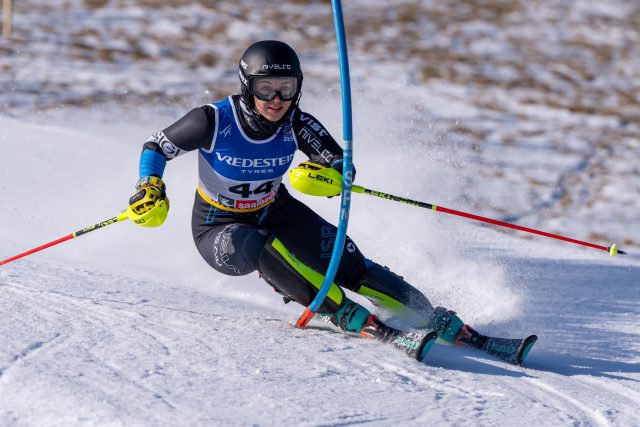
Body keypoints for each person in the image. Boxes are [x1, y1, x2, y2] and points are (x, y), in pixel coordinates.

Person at [127, 40, 484, 347]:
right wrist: (150, 184)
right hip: (218, 224)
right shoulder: (212, 120)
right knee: (257, 245)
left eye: (287, 87)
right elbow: (156, 147)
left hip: (275, 210)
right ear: (247, 86)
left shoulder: (296, 122)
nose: (277, 99)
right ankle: (341, 312)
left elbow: (338, 160)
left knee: (346, 262)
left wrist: (336, 175)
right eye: (266, 88)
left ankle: (433, 318)